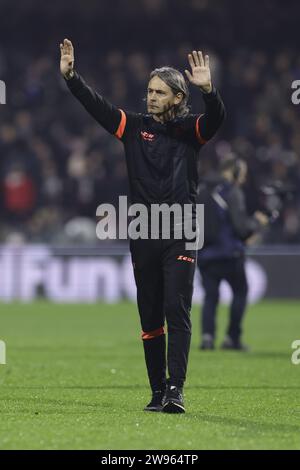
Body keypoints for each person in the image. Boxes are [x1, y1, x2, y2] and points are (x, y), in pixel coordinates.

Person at [60, 39, 225, 413]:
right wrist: (71, 77)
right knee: (150, 314)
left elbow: (216, 121)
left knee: (175, 308)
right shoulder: (133, 128)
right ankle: (156, 392)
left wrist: (210, 92)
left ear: (178, 97)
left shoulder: (190, 131)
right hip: (143, 231)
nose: (151, 97)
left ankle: (176, 390)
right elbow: (98, 107)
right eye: (149, 90)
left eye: (160, 92)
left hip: (180, 231)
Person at [197, 156, 268, 351]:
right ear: (231, 171)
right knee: (240, 292)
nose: (243, 178)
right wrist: (257, 223)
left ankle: (207, 338)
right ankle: (232, 338)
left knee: (210, 297)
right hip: (229, 254)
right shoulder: (232, 191)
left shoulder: (201, 189)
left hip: (204, 255)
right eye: (242, 173)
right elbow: (241, 228)